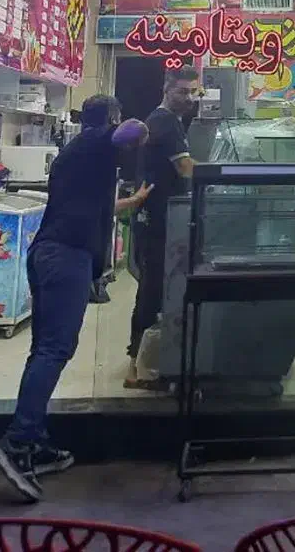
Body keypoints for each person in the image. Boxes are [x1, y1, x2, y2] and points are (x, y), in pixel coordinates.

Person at [0, 95, 150, 502]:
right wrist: (143, 129)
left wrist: (130, 203)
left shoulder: (76, 154)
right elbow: (130, 132)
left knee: (44, 349)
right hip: (66, 257)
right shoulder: (96, 141)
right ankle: (17, 442)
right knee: (56, 348)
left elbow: (93, 204)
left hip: (49, 253)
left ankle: (35, 439)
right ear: (108, 119)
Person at [126, 69, 201, 387]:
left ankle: (147, 361)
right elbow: (185, 168)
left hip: (158, 217)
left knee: (156, 287)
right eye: (183, 92)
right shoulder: (165, 121)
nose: (189, 98)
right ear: (167, 89)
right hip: (156, 219)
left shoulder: (167, 121)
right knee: (153, 288)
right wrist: (221, 177)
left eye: (194, 92)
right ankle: (137, 366)